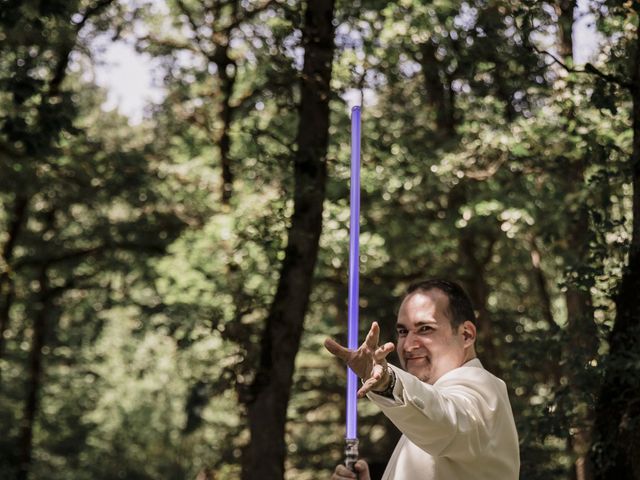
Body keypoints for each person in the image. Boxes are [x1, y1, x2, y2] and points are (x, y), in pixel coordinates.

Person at [325, 279, 519, 480]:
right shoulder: (428, 402)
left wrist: (388, 382)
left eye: (425, 328)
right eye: (403, 332)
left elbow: (446, 419)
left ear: (467, 334)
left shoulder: (482, 391)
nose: (408, 345)